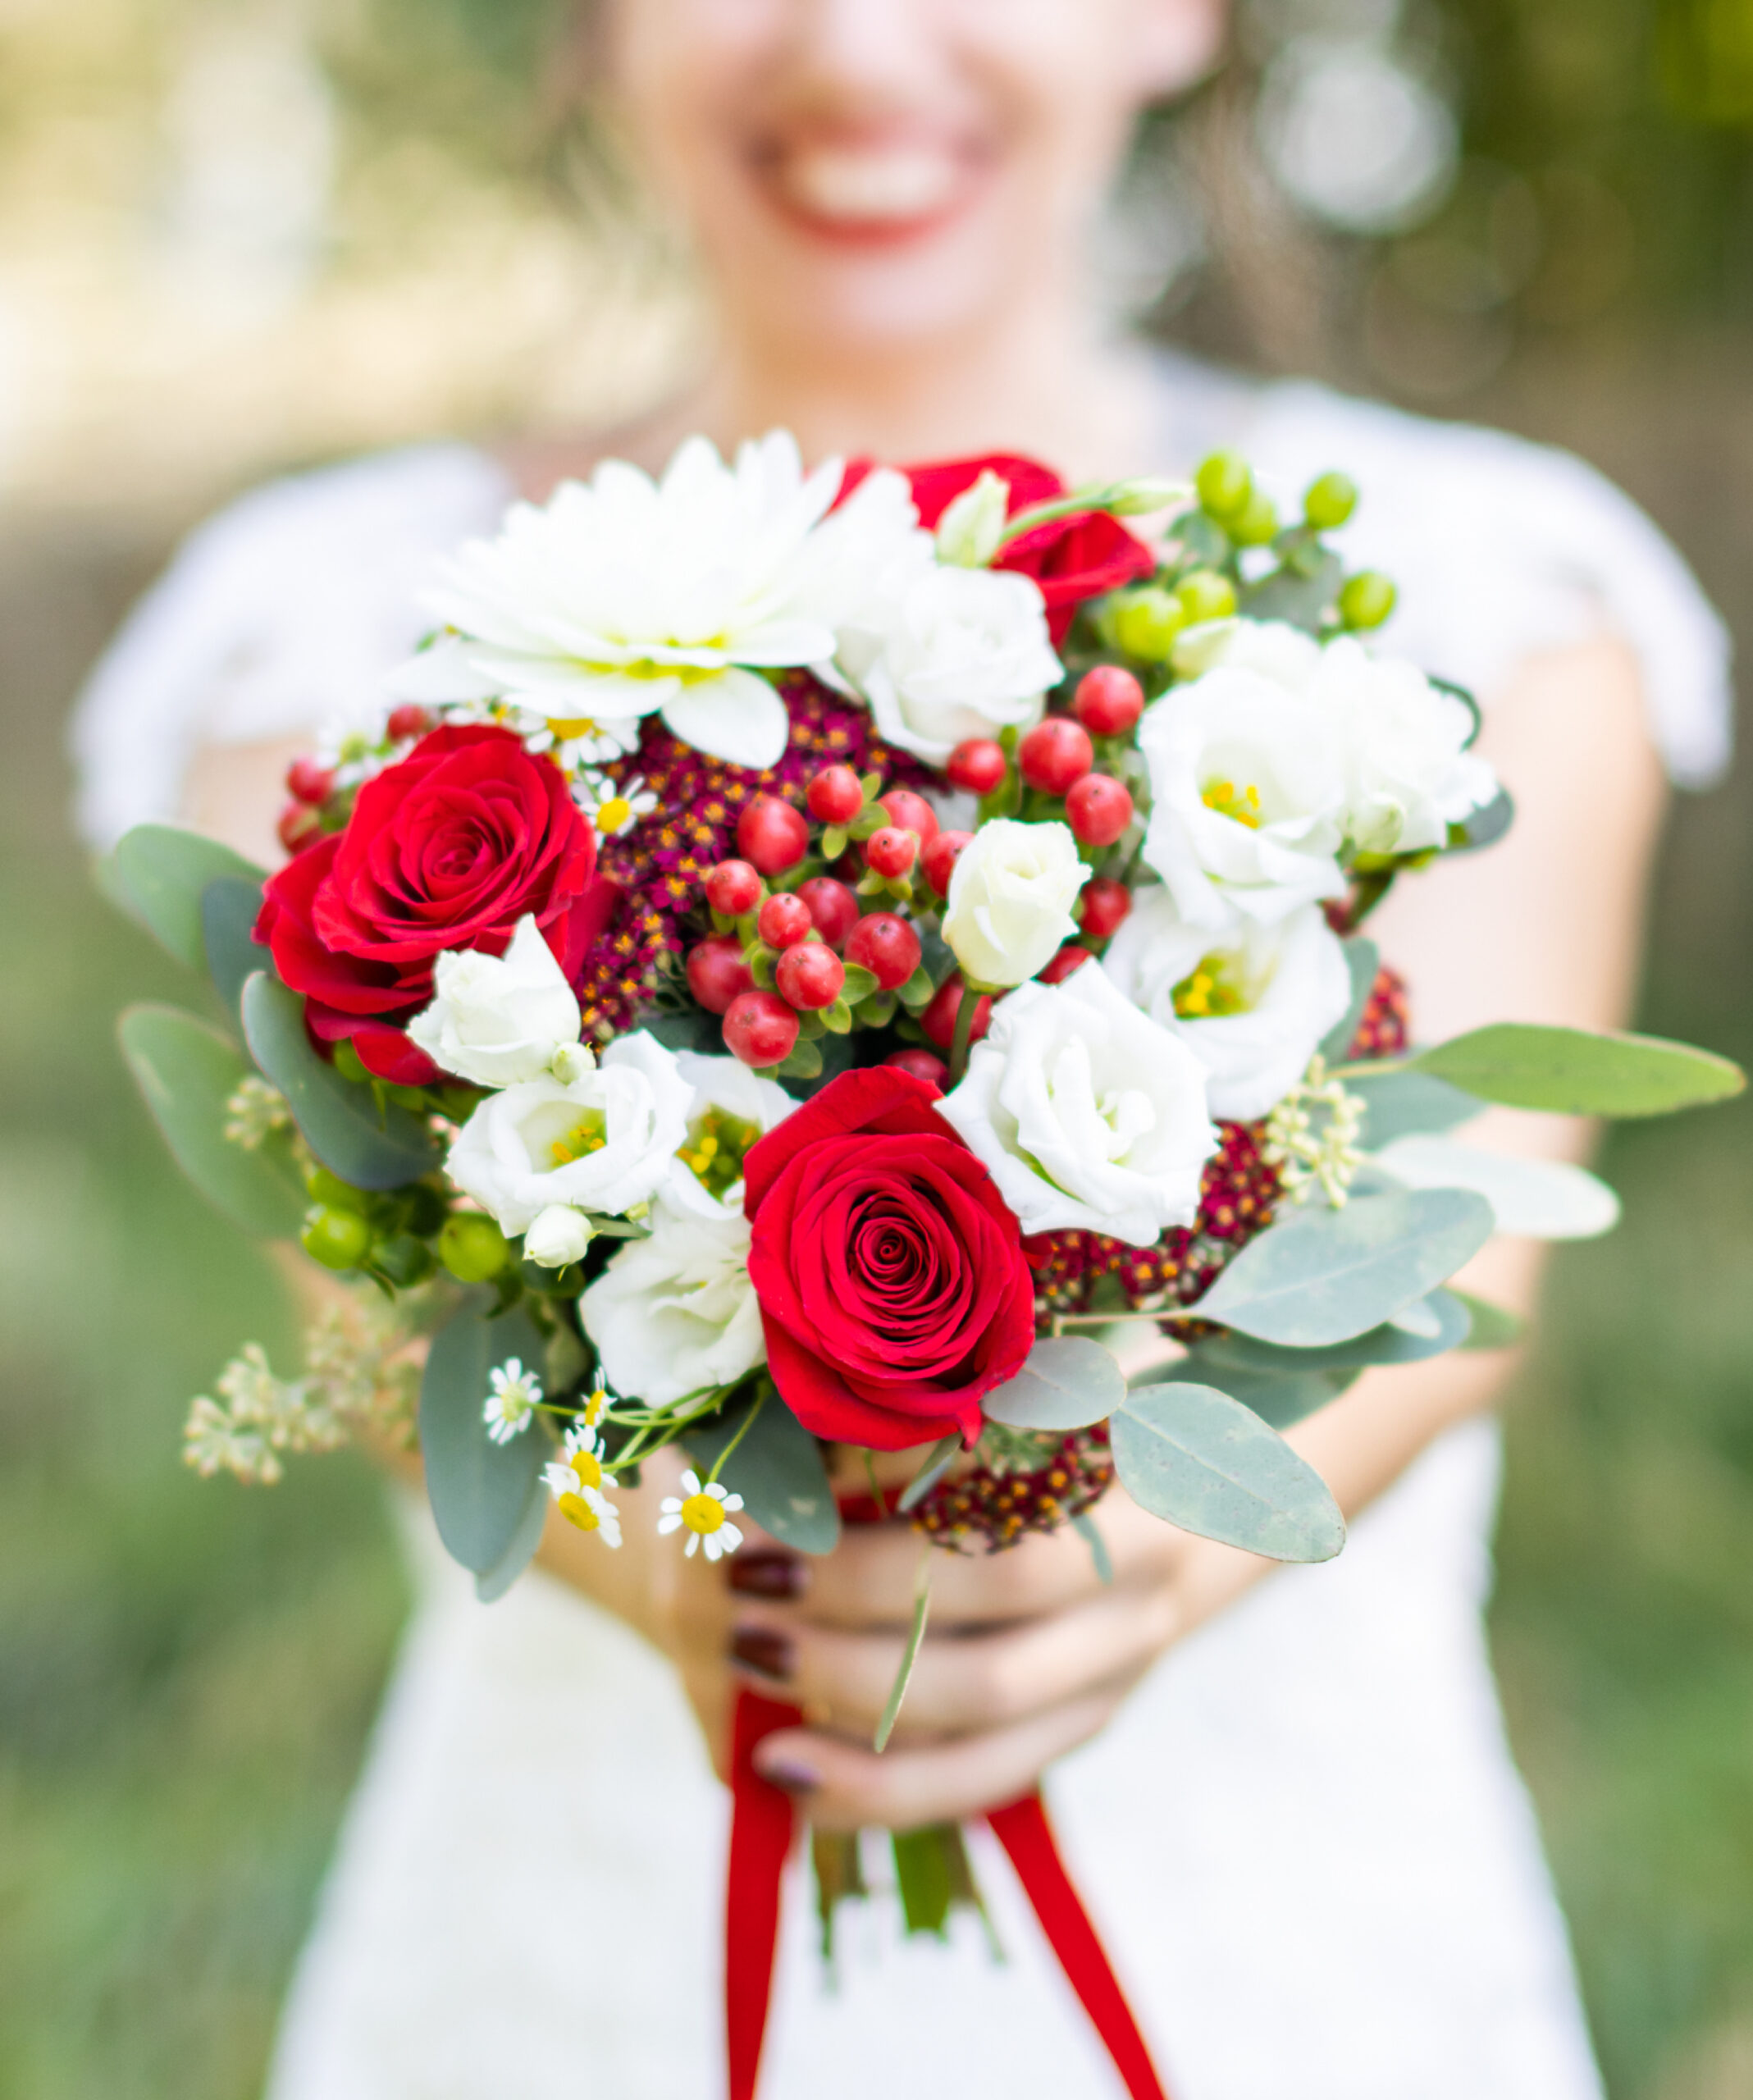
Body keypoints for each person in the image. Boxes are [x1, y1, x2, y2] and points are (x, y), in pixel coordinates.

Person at [71, 2, 1732, 2094]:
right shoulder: (329, 621)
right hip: (571, 1936)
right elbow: (376, 1301)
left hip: (1287, 1932)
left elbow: (1466, 1245)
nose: (857, 47)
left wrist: (1110, 1576)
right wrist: (711, 1589)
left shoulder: (1473, 588)